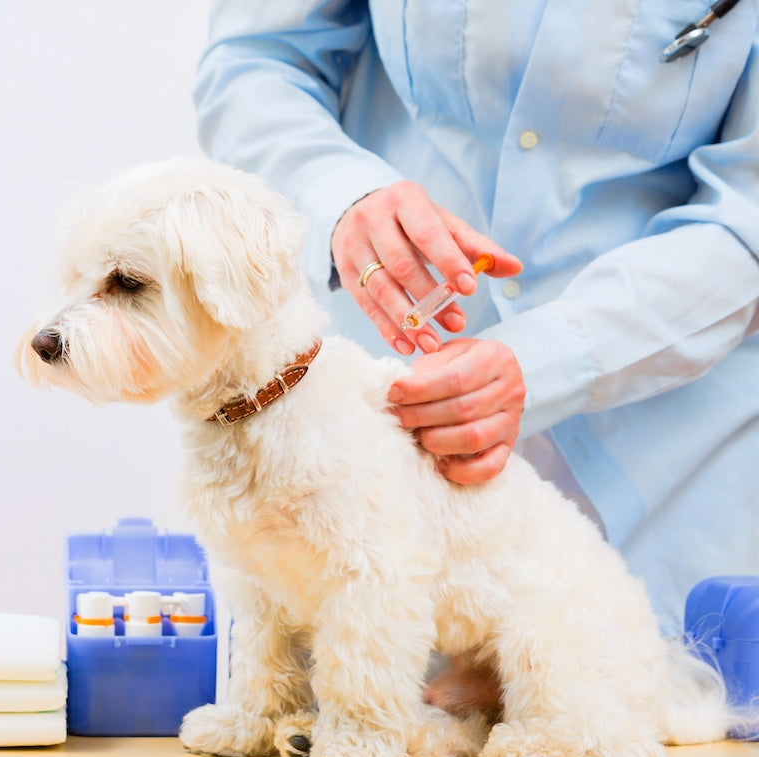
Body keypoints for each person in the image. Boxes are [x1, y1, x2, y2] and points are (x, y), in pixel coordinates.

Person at [194, 2, 759, 637]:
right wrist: (339, 193)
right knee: (364, 705)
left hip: (678, 463)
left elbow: (748, 217)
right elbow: (256, 60)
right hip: (384, 453)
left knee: (661, 712)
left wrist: (555, 356)